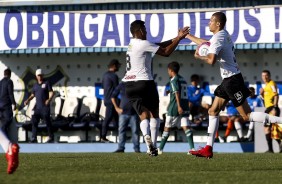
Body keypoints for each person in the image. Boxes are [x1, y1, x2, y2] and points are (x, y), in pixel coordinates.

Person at [186, 12, 282, 158]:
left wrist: (199, 56)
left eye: (211, 21)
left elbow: (211, 60)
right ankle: (208, 148)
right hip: (228, 80)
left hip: (232, 81)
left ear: (218, 23)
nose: (209, 23)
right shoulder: (222, 34)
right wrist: (188, 36)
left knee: (246, 115)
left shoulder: (218, 37)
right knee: (213, 111)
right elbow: (207, 43)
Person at [122, 20, 189, 156]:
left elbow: (158, 45)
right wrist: (180, 39)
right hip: (144, 82)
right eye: (145, 30)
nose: (146, 32)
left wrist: (176, 38)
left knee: (143, 115)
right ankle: (153, 146)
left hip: (129, 85)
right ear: (140, 31)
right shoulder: (143, 43)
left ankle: (146, 136)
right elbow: (165, 52)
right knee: (154, 113)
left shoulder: (132, 44)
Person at [158, 61, 195, 154]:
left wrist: (178, 106)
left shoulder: (173, 80)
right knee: (186, 126)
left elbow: (177, 92)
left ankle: (160, 149)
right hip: (185, 105)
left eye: (168, 70)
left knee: (167, 127)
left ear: (171, 70)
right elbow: (178, 90)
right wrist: (170, 91)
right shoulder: (183, 79)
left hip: (175, 107)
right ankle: (192, 148)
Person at [24, 69, 54, 143]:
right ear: (36, 76)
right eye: (38, 75)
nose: (40, 77)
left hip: (45, 107)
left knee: (48, 122)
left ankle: (51, 137)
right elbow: (33, 95)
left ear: (43, 75)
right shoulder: (35, 85)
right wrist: (27, 100)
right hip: (37, 108)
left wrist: (49, 99)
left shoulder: (47, 83)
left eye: (41, 75)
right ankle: (34, 138)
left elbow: (51, 92)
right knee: (34, 122)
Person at [111, 82, 140, 153]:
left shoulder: (136, 85)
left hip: (134, 113)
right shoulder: (121, 85)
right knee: (121, 131)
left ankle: (137, 149)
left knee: (135, 131)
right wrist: (116, 108)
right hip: (123, 113)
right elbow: (112, 96)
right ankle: (121, 148)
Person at [260, 70, 281, 152]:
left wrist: (275, 108)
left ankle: (276, 146)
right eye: (263, 75)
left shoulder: (272, 84)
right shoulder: (266, 86)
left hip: (272, 108)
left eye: (266, 75)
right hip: (268, 108)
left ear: (269, 76)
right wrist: (262, 94)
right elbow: (266, 99)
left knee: (271, 129)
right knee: (267, 129)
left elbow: (276, 95)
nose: (264, 77)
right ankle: (271, 149)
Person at [101, 59, 121, 143]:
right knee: (108, 118)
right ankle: (103, 136)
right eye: (118, 66)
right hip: (112, 101)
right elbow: (117, 88)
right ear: (114, 66)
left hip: (107, 99)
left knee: (116, 120)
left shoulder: (105, 75)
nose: (119, 67)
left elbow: (103, 86)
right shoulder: (114, 76)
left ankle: (121, 136)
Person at [0, 68, 17, 137]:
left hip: (0, 106)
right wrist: (14, 103)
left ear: (4, 74)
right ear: (10, 74)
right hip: (6, 105)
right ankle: (2, 131)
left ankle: (5, 137)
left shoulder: (0, 82)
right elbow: (10, 93)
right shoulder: (9, 81)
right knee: (8, 120)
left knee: (3, 122)